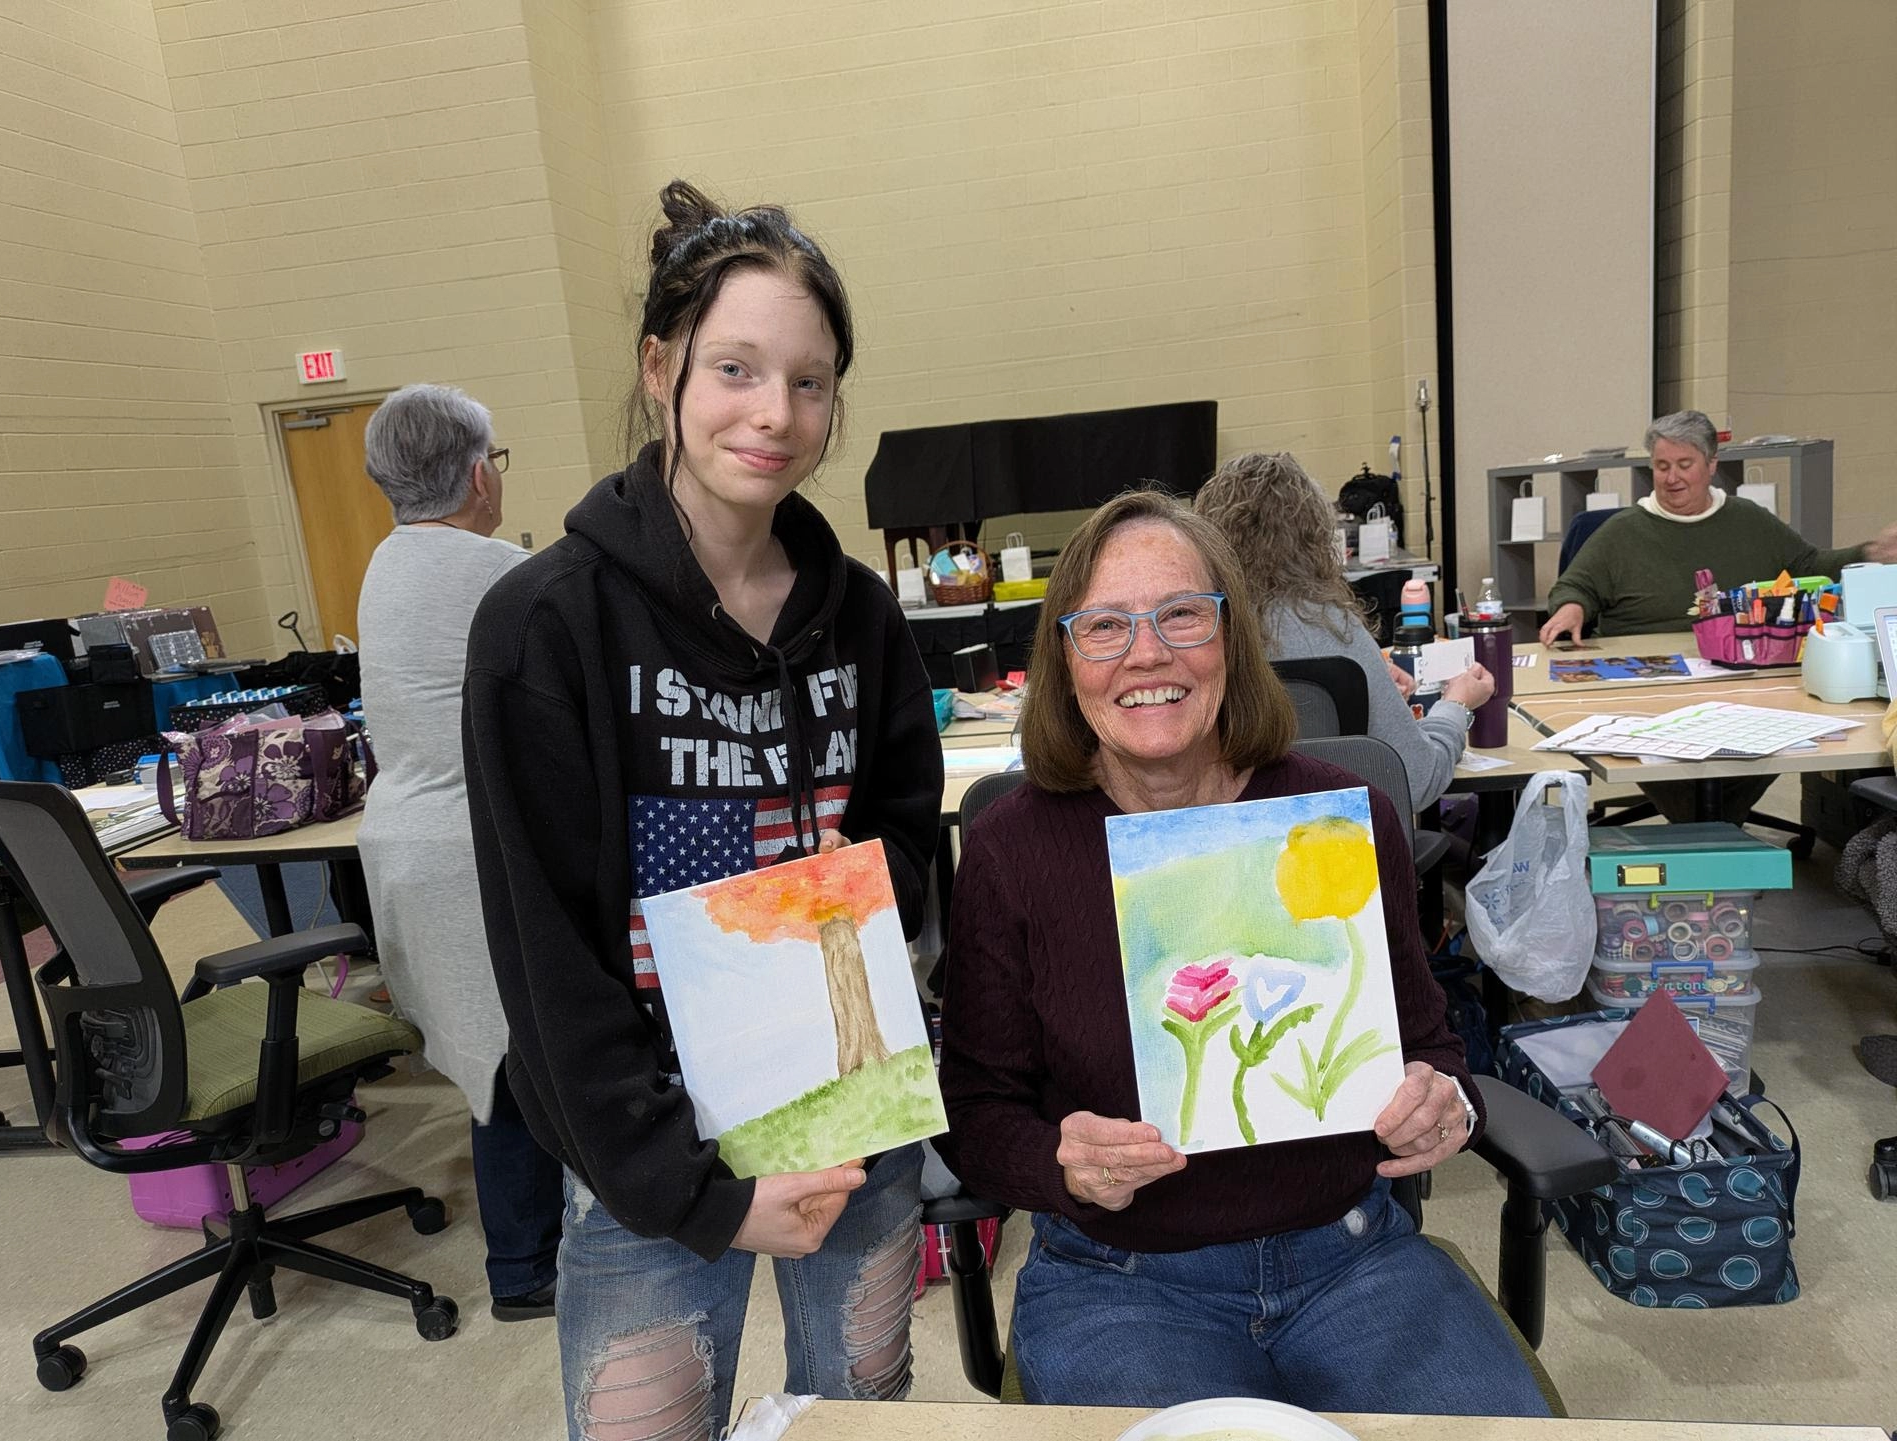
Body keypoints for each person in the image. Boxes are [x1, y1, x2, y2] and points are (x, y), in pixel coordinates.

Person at [463, 181, 942, 1441]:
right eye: (736, 367)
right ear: (661, 364)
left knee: (866, 1416)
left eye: (812, 381)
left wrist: (877, 918)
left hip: (850, 1113)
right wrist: (700, 1192)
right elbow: (548, 961)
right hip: (646, 1154)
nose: (775, 414)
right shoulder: (548, 626)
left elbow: (909, 860)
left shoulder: (866, 621)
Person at [936, 489, 1548, 1417]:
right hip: (1120, 1280)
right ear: (1066, 658)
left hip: (1352, 1257)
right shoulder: (1013, 850)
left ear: (1230, 634)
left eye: (1182, 614)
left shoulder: (1340, 818)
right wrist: (1056, 1161)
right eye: (1104, 626)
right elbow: (976, 1112)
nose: (1147, 654)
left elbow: (1429, 1041)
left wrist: (1443, 1101)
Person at [355, 383, 562, 1322]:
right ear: (481, 473)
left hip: (403, 851)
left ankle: (525, 1257)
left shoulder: (383, 566)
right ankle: (526, 1270)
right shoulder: (499, 574)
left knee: (494, 1074)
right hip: (476, 856)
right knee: (526, 1068)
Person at [1194, 451, 1494, 812]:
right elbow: (1415, 781)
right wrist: (1457, 705)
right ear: (1316, 538)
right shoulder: (1334, 630)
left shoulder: (1196, 634)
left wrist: (1370, 684)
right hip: (1335, 848)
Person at [1540, 409, 1897, 646]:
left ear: (1711, 465)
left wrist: (1870, 554)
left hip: (1732, 666)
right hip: (1644, 672)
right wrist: (1573, 606)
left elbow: (1808, 566)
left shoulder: (1749, 520)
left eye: (1684, 464)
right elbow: (1576, 584)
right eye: (1662, 466)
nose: (1672, 477)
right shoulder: (1621, 531)